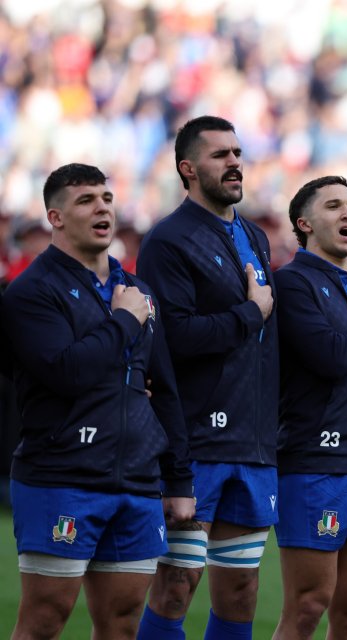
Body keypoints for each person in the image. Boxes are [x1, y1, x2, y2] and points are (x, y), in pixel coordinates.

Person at [1, 163, 194, 639]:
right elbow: (68, 372)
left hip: (137, 480)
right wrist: (125, 321)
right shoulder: (31, 291)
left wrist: (179, 477)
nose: (102, 207)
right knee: (44, 620)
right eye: (86, 200)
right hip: (63, 476)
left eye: (106, 198)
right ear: (56, 217)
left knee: (123, 623)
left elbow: (163, 386)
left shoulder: (137, 289)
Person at [136, 115, 278, 640]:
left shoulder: (254, 236)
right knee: (177, 582)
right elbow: (169, 337)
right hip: (195, 439)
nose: (235, 162)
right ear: (188, 169)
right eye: (220, 155)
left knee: (241, 591)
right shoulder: (167, 241)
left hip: (252, 441)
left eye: (238, 152)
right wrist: (250, 313)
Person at [272, 176, 347, 640]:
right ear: (304, 223)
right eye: (333, 207)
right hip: (316, 461)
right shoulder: (292, 281)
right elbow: (332, 356)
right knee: (307, 606)